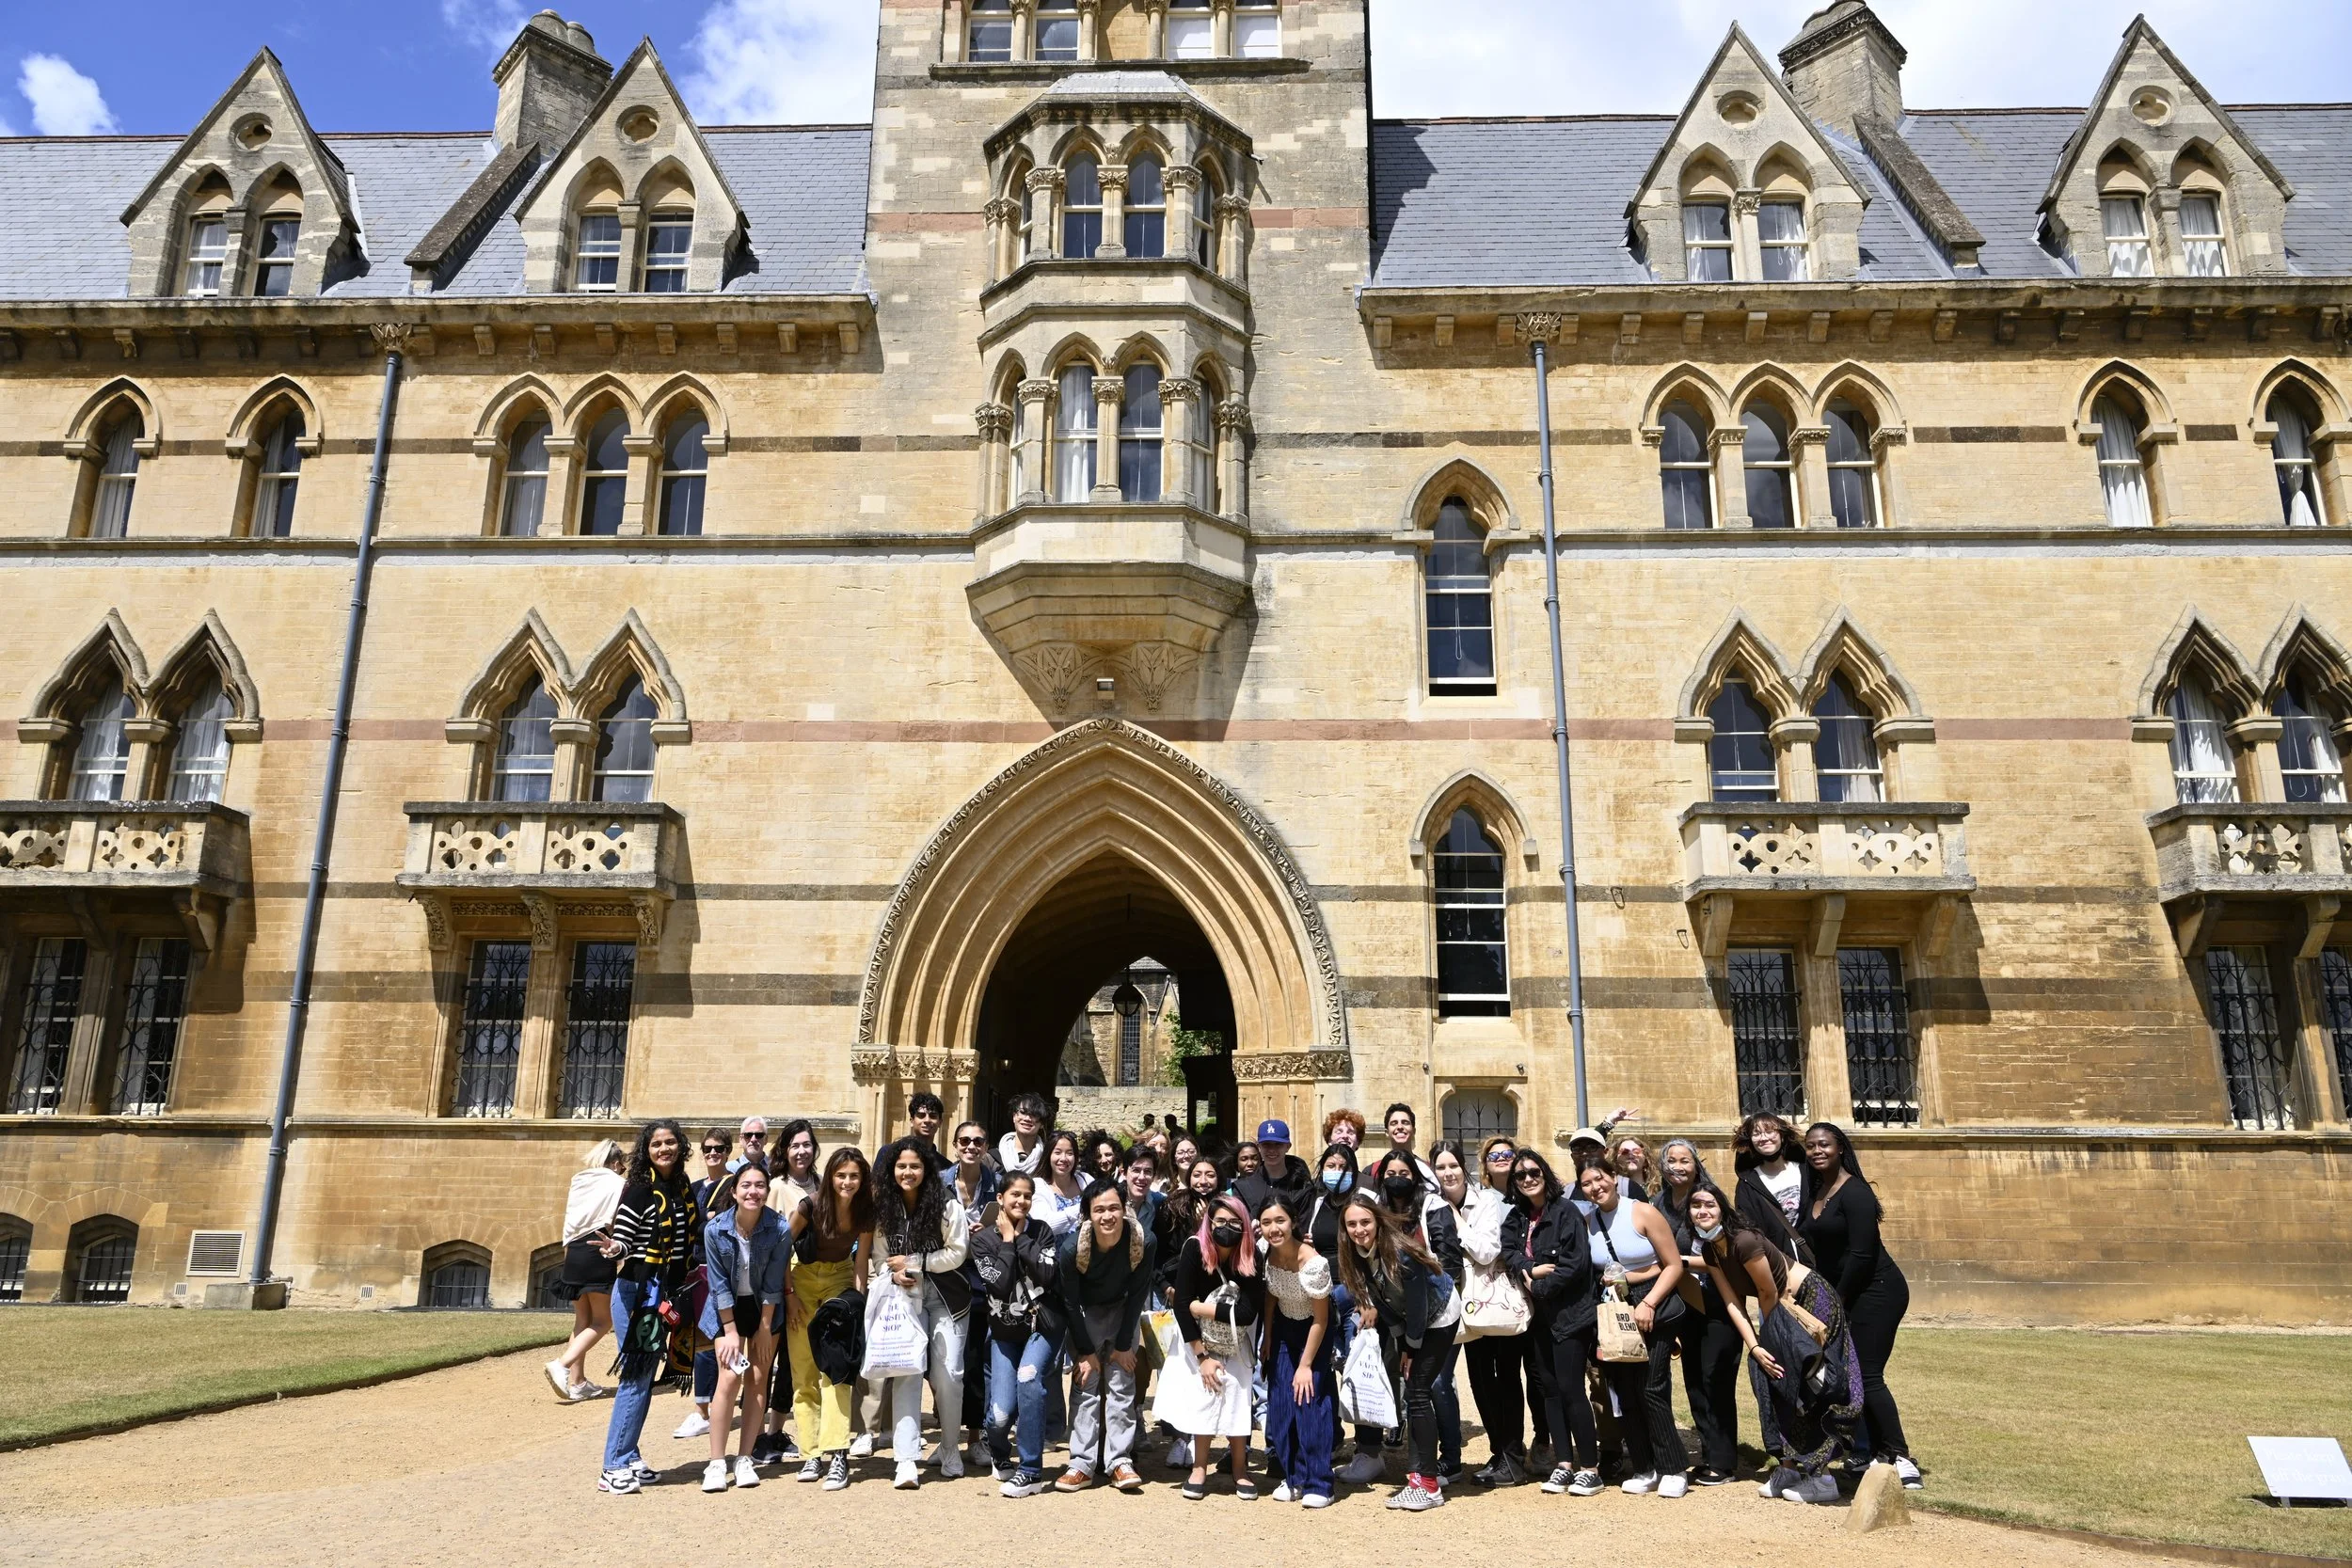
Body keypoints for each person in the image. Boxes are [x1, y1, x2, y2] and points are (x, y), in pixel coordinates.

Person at [1689, 1181, 1861, 1505]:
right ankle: (1788, 1466)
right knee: (1766, 1378)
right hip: (1779, 1312)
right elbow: (1732, 1303)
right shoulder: (1712, 1249)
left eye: (1709, 1204)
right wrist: (1754, 1347)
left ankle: (1822, 1476)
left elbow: (1768, 1291)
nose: (1702, 1211)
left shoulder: (1744, 1240)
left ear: (1722, 1209)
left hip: (1809, 1303)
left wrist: (1770, 1339)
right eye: (1696, 1206)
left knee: (1810, 1385)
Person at [1799, 1122, 1920, 1489]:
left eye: (1824, 1145)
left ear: (1840, 1148)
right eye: (1810, 1146)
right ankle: (1866, 1454)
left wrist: (1838, 1300)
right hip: (1845, 1293)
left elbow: (1862, 1254)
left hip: (1877, 1291)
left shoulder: (1856, 1193)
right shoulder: (1818, 1191)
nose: (1817, 1151)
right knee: (1850, 1379)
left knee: (1867, 1374)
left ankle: (1900, 1457)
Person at [1336, 1191, 1458, 1510]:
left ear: (1377, 1220)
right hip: (1411, 1321)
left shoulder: (1400, 1251)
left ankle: (1427, 1485)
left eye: (1365, 1222)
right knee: (1414, 1393)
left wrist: (1412, 1346)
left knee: (1417, 1391)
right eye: (1352, 1224)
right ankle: (1420, 1477)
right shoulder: (1356, 1254)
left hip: (1440, 1313)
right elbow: (1381, 1303)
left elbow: (1418, 1306)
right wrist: (1403, 1342)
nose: (1359, 1229)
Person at [1577, 1159, 1689, 1497]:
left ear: (1614, 1177)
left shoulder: (1642, 1212)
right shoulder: (1588, 1221)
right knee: (1624, 1390)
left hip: (1653, 1303)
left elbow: (1673, 1265)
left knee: (1652, 1387)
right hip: (1614, 1308)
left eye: (1600, 1178)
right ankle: (1645, 1466)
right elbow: (1602, 1272)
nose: (1596, 1187)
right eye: (1587, 1183)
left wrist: (1649, 1302)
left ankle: (1673, 1468)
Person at [596, 1119, 695, 1494]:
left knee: (644, 1378)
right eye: (656, 1144)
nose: (663, 1149)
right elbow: (622, 1238)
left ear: (680, 1146)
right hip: (637, 1293)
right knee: (636, 1378)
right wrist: (614, 1249)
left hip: (663, 1294)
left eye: (670, 1142)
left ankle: (630, 1454)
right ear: (646, 1149)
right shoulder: (638, 1190)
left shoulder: (681, 1187)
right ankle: (613, 1465)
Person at [1499, 1149, 1603, 1498]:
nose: (1527, 1179)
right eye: (1520, 1175)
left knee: (1572, 1389)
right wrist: (1529, 1269)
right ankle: (1563, 1463)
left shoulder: (1566, 1212)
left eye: (1533, 1172)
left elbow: (1576, 1263)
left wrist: (1538, 1285)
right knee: (1550, 1391)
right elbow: (1508, 1251)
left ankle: (1590, 1467)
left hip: (1570, 1314)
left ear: (1544, 1173)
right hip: (1537, 1319)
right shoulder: (1517, 1216)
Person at [871, 1139, 972, 1488]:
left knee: (948, 1376)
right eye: (901, 1166)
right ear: (892, 1170)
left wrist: (914, 1262)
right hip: (904, 1297)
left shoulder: (946, 1206)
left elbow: (957, 1253)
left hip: (946, 1298)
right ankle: (905, 1459)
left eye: (915, 1166)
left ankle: (949, 1448)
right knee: (907, 1373)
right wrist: (892, 1273)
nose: (908, 1173)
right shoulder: (885, 1208)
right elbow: (880, 1254)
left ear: (926, 1169)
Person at [1158, 1193, 1264, 1499]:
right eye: (1220, 1221)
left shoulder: (1251, 1256)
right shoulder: (1195, 1247)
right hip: (1197, 1340)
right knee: (1205, 1397)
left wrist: (1200, 1307)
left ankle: (1240, 1471)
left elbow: (1247, 1313)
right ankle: (1199, 1468)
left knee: (1238, 1399)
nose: (1227, 1227)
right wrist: (1201, 1355)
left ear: (1244, 1225)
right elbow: (1180, 1304)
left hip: (1236, 1340)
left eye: (1234, 1222)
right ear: (1210, 1222)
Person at [1055, 1178, 1155, 1493]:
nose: (1108, 1216)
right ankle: (1081, 1463)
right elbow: (1069, 1302)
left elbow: (1139, 1293)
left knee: (1121, 1382)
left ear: (1125, 1210)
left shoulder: (1143, 1240)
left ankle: (1119, 1462)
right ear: (1088, 1214)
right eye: (1099, 1210)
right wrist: (1084, 1351)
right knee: (1086, 1383)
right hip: (1085, 1312)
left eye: (1114, 1208)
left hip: (1123, 1309)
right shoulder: (1072, 1248)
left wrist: (1125, 1345)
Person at [1652, 1137, 1740, 1485]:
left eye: (1685, 1160)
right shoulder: (1659, 1202)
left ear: (1695, 1163)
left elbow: (1725, 1254)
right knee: (1694, 1383)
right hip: (1683, 1304)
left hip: (1717, 1303)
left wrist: (1678, 1262)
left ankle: (1724, 1461)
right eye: (1671, 1159)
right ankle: (1709, 1454)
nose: (1678, 1165)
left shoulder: (1707, 1199)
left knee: (1715, 1379)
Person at [971, 1170, 1064, 1497]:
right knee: (998, 1416)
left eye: (1027, 1196)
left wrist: (1020, 1239)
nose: (1022, 1201)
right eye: (1015, 1195)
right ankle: (999, 1452)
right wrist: (1007, 1242)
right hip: (1003, 1334)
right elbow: (997, 1283)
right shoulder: (982, 1240)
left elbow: (1048, 1274)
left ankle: (1031, 1470)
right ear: (1000, 1199)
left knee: (1028, 1379)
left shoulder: (1042, 1232)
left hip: (1041, 1328)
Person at [1370, 1148, 1461, 1479]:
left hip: (1437, 1309)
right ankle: (1419, 1461)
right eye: (1391, 1174)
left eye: (1404, 1174)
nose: (1397, 1180)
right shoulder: (1377, 1212)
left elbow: (1450, 1260)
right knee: (1411, 1383)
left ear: (1415, 1177)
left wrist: (1435, 1299)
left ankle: (1449, 1459)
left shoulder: (1432, 1207)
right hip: (1400, 1310)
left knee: (1437, 1383)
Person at [788, 1147, 873, 1490]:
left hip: (839, 1278)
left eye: (854, 1176)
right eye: (841, 1175)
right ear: (831, 1177)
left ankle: (837, 1452)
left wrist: (859, 1305)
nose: (847, 1182)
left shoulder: (866, 1211)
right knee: (804, 1371)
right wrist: (789, 1296)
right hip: (803, 1279)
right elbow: (783, 1246)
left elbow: (862, 1261)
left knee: (836, 1368)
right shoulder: (810, 1205)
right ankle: (811, 1453)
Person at [1449, 1135, 1531, 1484]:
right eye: (1493, 1155)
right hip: (1475, 1297)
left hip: (1507, 1294)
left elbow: (1489, 1250)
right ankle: (1501, 1452)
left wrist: (1458, 1222)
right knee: (1481, 1378)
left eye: (1507, 1154)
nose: (1501, 1159)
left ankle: (1513, 1456)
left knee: (1509, 1377)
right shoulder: (1479, 1197)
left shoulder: (1524, 1194)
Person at [699, 1163, 787, 1492]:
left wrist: (764, 1327)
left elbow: (775, 1281)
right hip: (729, 1309)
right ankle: (716, 1462)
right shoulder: (716, 1229)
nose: (753, 1191)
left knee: (759, 1378)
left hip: (765, 1308)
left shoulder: (778, 1227)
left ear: (767, 1190)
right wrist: (731, 1332)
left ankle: (745, 1457)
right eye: (746, 1185)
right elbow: (719, 1285)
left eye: (760, 1185)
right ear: (734, 1192)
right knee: (729, 1377)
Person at [1255, 1193, 1336, 1507]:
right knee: (1280, 1403)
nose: (1273, 1228)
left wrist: (1305, 1365)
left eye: (1280, 1221)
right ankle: (1292, 1478)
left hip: (1314, 1331)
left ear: (1293, 1222)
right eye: (1266, 1222)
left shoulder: (1314, 1263)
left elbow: (1321, 1318)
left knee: (1309, 1400)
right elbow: (1272, 1296)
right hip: (1284, 1330)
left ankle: (1319, 1482)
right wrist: (1268, 1337)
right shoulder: (1267, 1253)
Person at [754, 1120, 820, 1463]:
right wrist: (786, 1290)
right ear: (784, 1150)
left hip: (812, 1280)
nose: (801, 1151)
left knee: (795, 1362)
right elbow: (775, 1244)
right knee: (768, 1359)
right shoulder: (778, 1187)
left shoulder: (821, 1183)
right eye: (795, 1145)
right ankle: (756, 1436)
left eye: (807, 1145)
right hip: (782, 1283)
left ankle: (774, 1433)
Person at [548, 1138, 627, 1402]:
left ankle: (578, 1382)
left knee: (582, 1319)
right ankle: (563, 1364)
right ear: (616, 1163)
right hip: (597, 1247)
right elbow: (617, 1220)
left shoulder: (579, 1179)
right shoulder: (618, 1183)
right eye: (622, 1166)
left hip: (574, 1251)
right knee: (604, 1320)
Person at [1731, 1113, 1806, 1258]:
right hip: (1779, 1264)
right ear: (1750, 1141)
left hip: (1816, 1261)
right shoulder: (1748, 1185)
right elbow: (1749, 1230)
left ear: (1782, 1136)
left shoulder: (1805, 1172)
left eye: (1770, 1131)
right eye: (1757, 1133)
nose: (1764, 1138)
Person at [1232, 1117, 1313, 1218]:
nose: (1272, 1150)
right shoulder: (1243, 1187)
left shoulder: (1302, 1187)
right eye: (1266, 1145)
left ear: (1288, 1146)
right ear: (1259, 1147)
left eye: (1278, 1144)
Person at [1034, 1129, 1087, 1239]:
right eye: (1057, 1152)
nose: (1063, 1158)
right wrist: (1085, 1207)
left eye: (1069, 1153)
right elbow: (1046, 1226)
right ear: (1048, 1156)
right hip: (1053, 1254)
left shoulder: (1085, 1180)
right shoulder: (1038, 1186)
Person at [1379, 1103, 1437, 1182]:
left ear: (1414, 1131)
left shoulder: (1428, 1170)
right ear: (1386, 1132)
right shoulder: (1374, 1170)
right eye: (1394, 1123)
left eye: (1405, 1122)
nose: (1400, 1127)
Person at [997, 1093, 1049, 1176]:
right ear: (1014, 1117)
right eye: (1023, 1112)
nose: (1027, 1119)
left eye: (1034, 1114)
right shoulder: (993, 1159)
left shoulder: (1046, 1162)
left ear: (1042, 1124)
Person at [1610, 1133, 1657, 1203]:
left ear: (1646, 1161)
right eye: (1625, 1152)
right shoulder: (1610, 1191)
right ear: (1615, 1160)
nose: (1631, 1155)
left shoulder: (1658, 1191)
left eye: (1636, 1152)